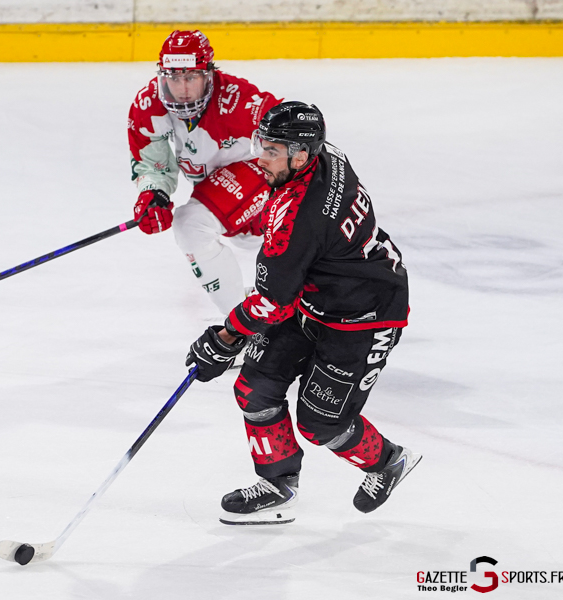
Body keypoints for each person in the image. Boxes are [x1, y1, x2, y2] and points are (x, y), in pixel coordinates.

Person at [185, 101, 421, 525]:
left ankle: (387, 462)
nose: (261, 158)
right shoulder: (325, 156)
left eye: (272, 150)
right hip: (314, 295)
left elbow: (271, 299)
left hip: (365, 316)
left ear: (300, 154)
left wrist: (224, 340)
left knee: (321, 423)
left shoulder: (300, 218)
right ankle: (278, 484)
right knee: (254, 387)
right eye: (263, 145)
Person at [128, 30, 282, 314]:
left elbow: (293, 133)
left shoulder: (239, 101)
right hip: (222, 194)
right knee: (249, 240)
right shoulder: (149, 106)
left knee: (192, 225)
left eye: (191, 77)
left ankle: (244, 325)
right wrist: (153, 193)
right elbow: (152, 164)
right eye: (174, 78)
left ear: (208, 75)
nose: (182, 88)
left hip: (260, 174)